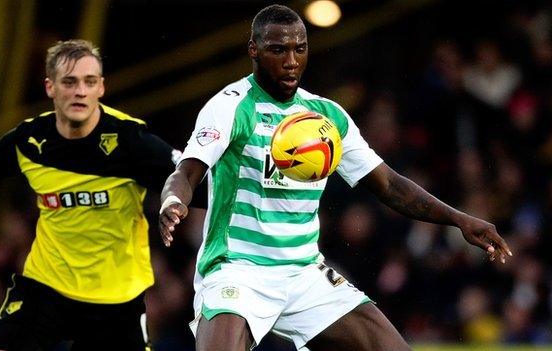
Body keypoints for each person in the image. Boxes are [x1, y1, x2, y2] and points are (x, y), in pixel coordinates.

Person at [158, 5, 513, 351]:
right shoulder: (231, 106)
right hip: (238, 269)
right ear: (254, 50)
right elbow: (187, 171)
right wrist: (174, 200)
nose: (291, 60)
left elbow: (389, 184)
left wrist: (458, 218)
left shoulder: (326, 118)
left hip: (303, 271)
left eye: (300, 48)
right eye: (278, 50)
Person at [0, 39, 177, 350]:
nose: (80, 91)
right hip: (46, 287)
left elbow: (194, 179)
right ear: (50, 87)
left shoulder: (132, 142)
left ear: (101, 87)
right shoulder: (29, 140)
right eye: (69, 82)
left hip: (115, 299)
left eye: (89, 82)